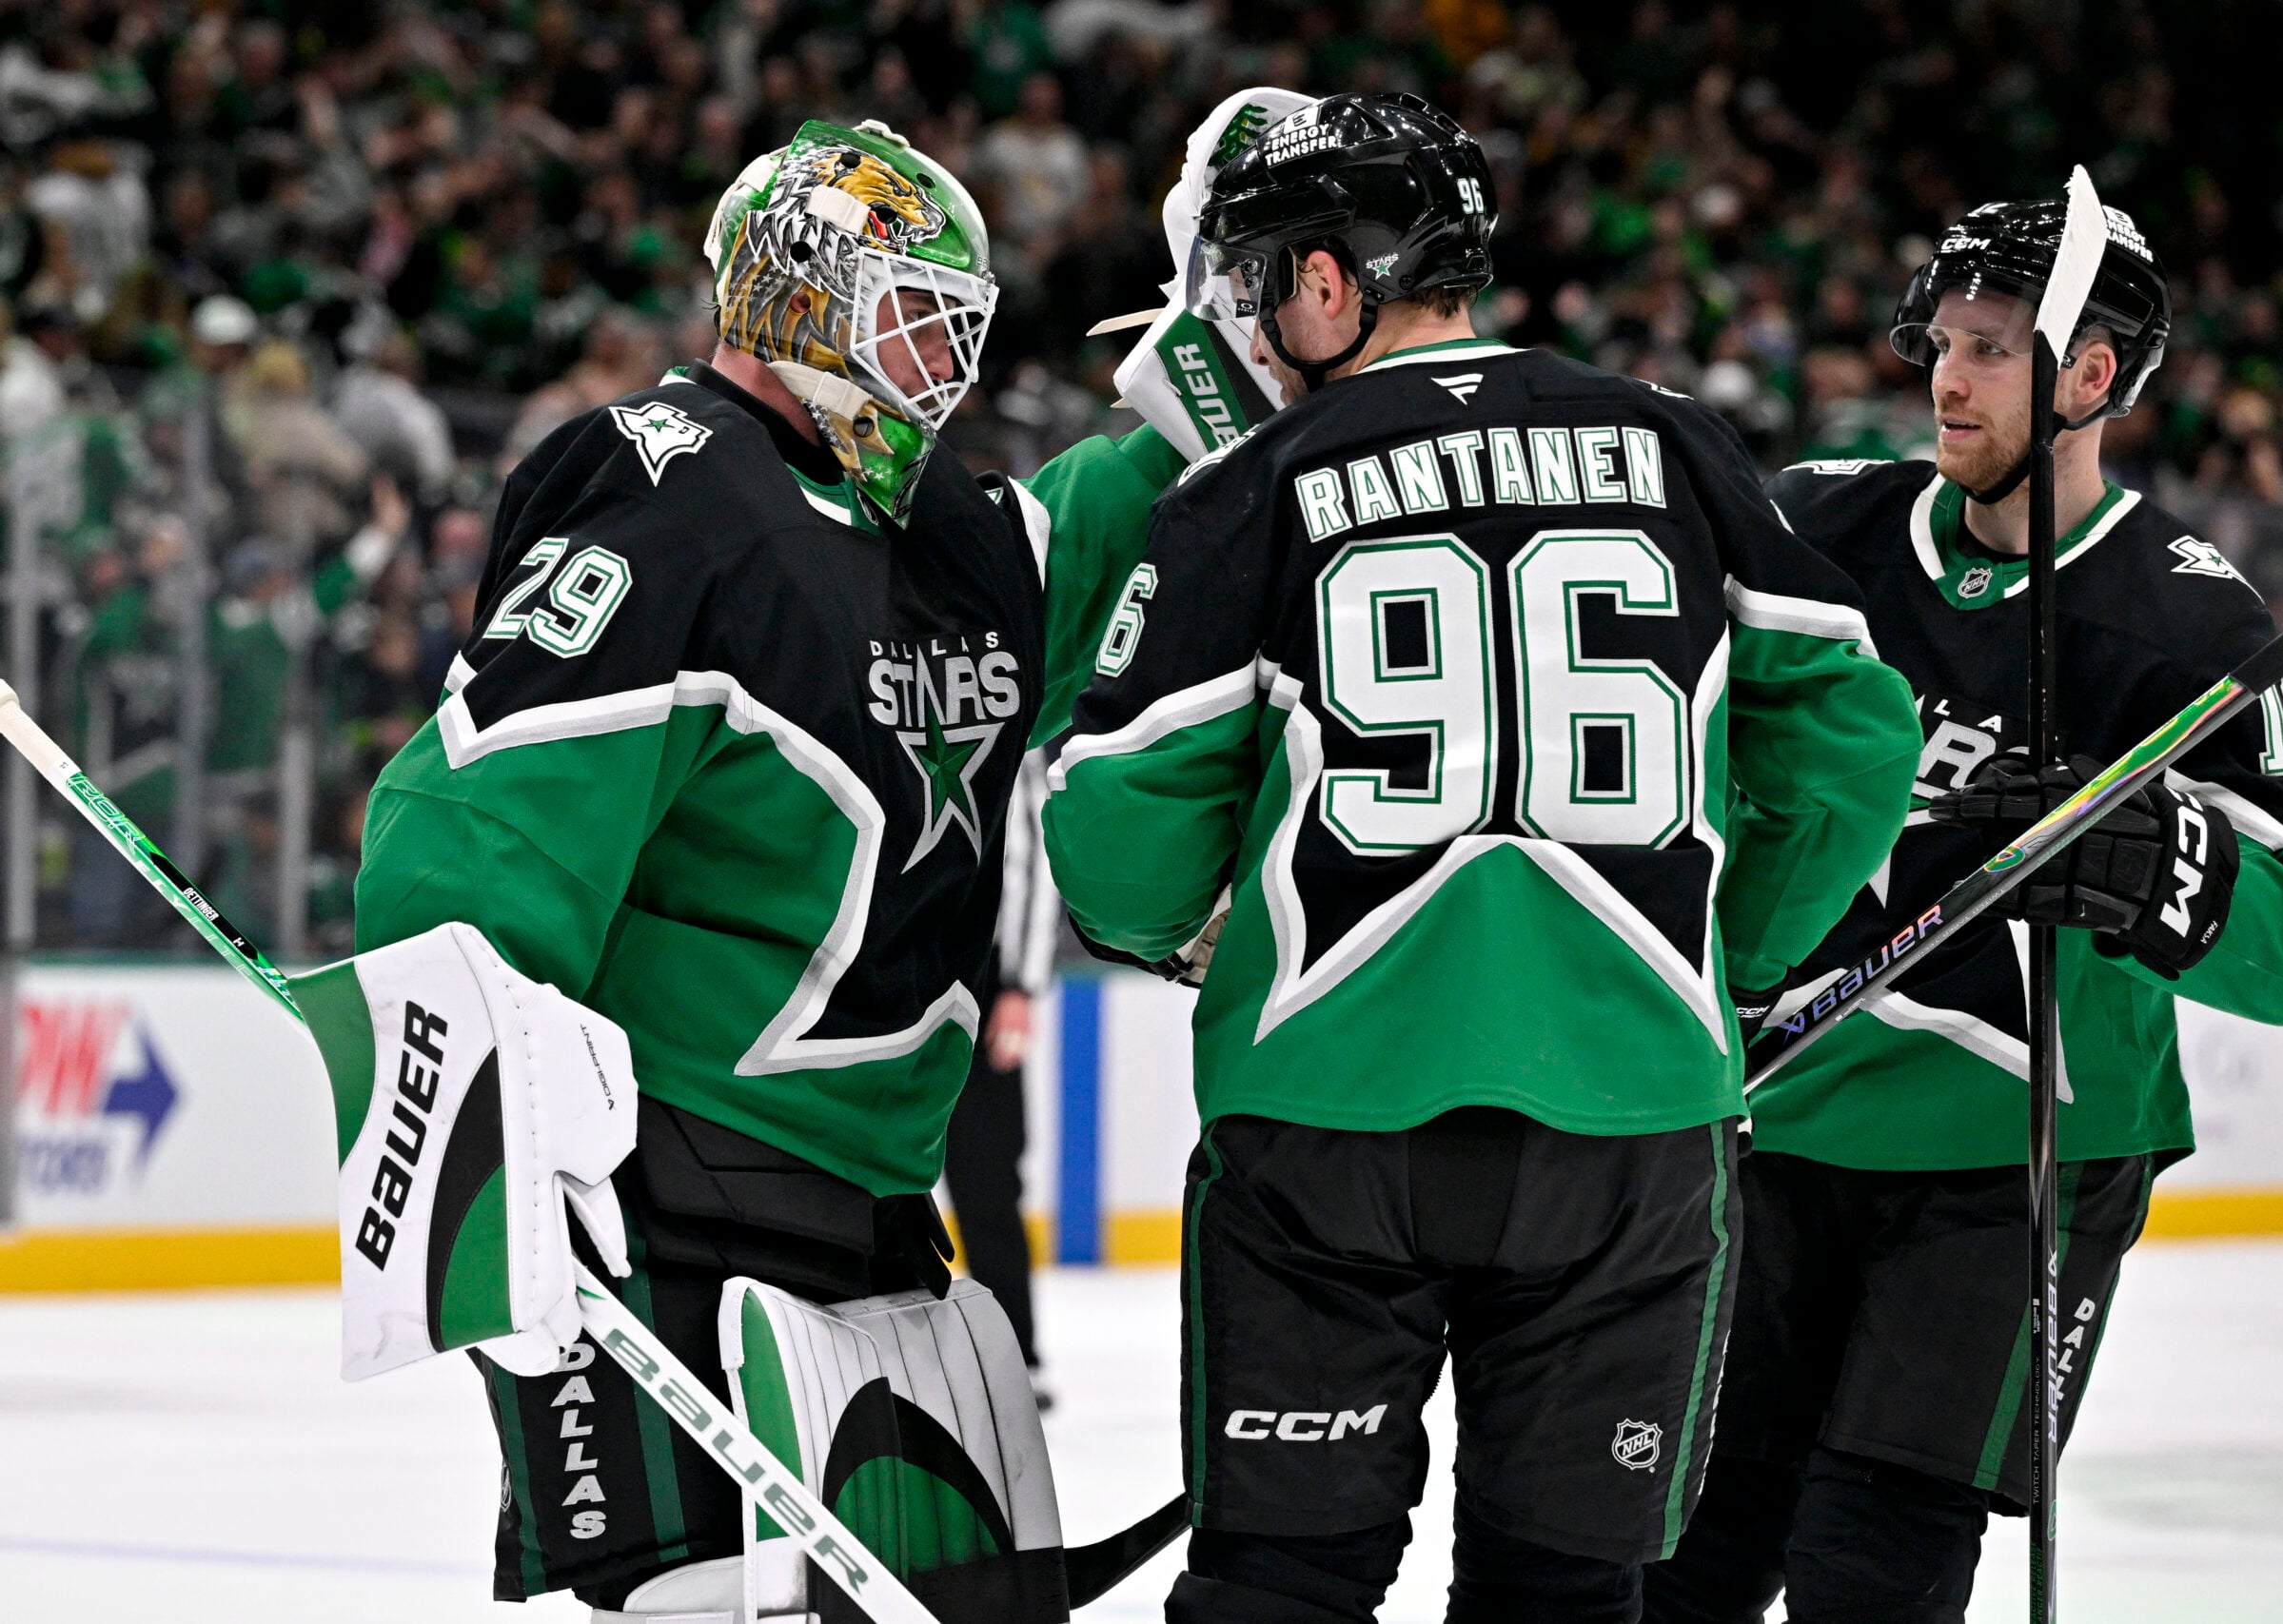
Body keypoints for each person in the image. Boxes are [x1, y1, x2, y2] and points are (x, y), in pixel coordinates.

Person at [1042, 92, 1922, 1624]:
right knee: (1567, 1592)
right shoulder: (1678, 445)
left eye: (1261, 277)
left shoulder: (1249, 484)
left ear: (1330, 283)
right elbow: (1855, 735)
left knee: (1281, 1585)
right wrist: (1737, 951)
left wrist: (1200, 932)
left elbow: (1112, 819)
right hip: (1631, 1128)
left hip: (1328, 1120)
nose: (1248, 314)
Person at [349, 117, 1185, 1617]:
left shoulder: (939, 529)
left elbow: (1084, 540)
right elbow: (481, 823)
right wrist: (491, 1134)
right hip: (660, 1200)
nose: (938, 370)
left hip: (876, 1207)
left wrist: (1223, 360)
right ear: (798, 294)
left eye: (957, 332)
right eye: (910, 320)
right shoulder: (669, 489)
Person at [1641, 200, 2283, 1624]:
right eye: (1944, 346)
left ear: (2092, 378)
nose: (1949, 382)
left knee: (1872, 1562)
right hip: (1777, 1113)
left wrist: (2157, 858)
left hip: (2016, 1158)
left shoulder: (2179, 618)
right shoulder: (1818, 524)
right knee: (1689, 1549)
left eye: (1990, 350)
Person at [942, 747, 1061, 1385]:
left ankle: (1016, 1350)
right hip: (900, 962)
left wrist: (1021, 983)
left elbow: (1039, 854)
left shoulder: (1014, 714)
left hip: (987, 976)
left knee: (987, 1173)